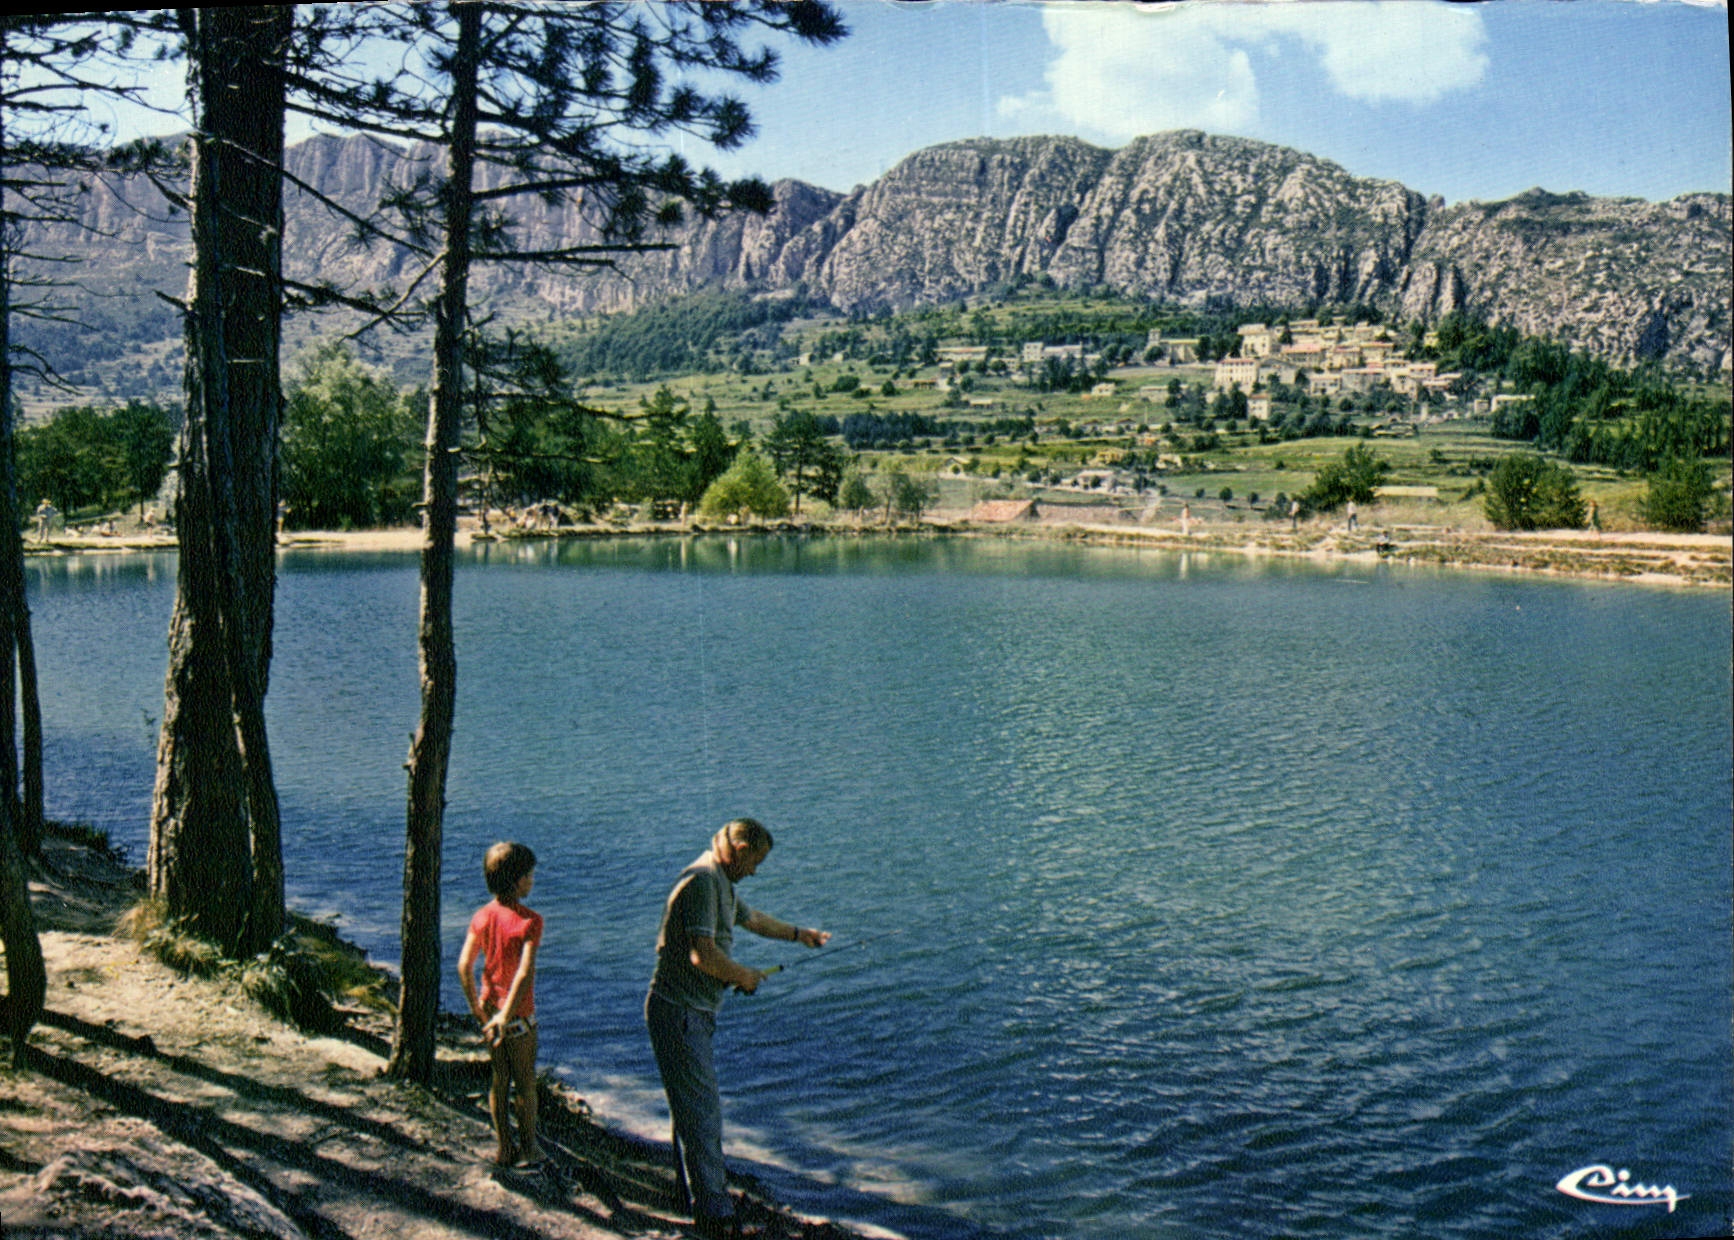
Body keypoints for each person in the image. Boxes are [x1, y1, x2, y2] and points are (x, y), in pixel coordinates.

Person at [645, 818, 828, 1239]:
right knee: (703, 1113)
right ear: (739, 847)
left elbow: (753, 919)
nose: (755, 871)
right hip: (681, 1011)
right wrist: (741, 975)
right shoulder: (704, 882)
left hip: (689, 1011)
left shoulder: (720, 881)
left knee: (689, 1111)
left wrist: (801, 935)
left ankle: (692, 1197)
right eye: (755, 861)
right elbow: (703, 957)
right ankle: (715, 1216)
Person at [457, 841, 544, 1169]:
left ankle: (504, 1149)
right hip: (517, 1016)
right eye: (529, 875)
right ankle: (530, 1148)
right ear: (516, 880)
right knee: (525, 1084)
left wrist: (478, 1010)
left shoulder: (481, 916)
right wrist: (508, 1016)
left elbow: (464, 966)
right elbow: (523, 975)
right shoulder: (530, 921)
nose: (532, 880)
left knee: (499, 1078)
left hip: (490, 1009)